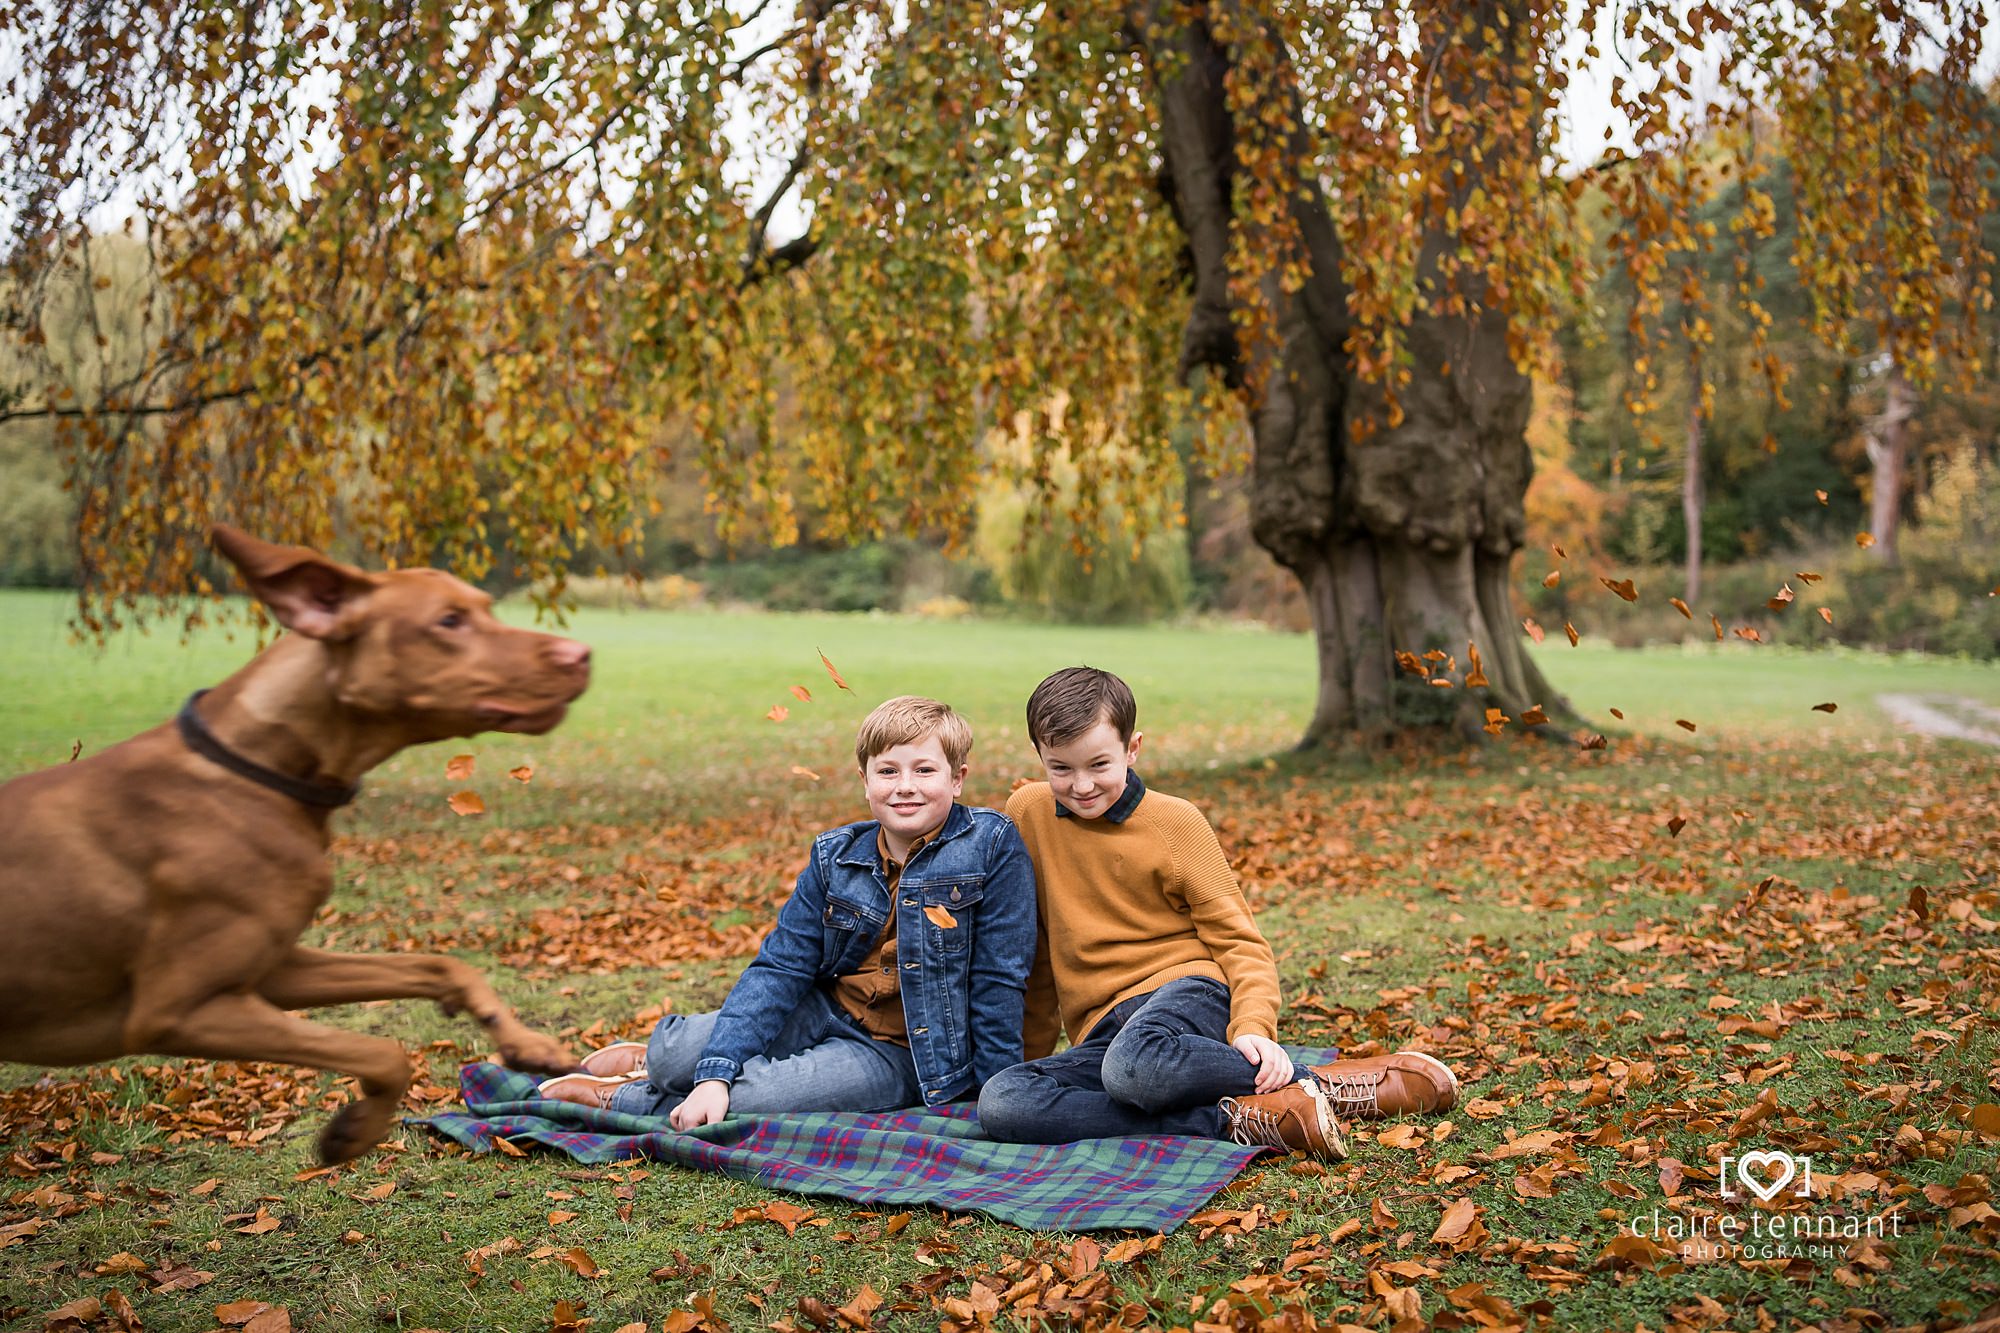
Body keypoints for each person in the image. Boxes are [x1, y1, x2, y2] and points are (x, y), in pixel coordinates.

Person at [976, 666, 1458, 1159]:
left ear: (1132, 749)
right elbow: (1030, 948)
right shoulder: (1028, 813)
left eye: (1099, 764)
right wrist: (1031, 1059)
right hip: (1107, 1033)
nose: (1081, 785)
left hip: (1188, 993)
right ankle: (1236, 1117)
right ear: (1040, 756)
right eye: (1061, 768)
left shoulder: (1176, 823)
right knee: (1003, 1102)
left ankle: (1317, 1083)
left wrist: (1252, 1027)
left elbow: (1240, 942)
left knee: (1132, 1068)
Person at [538, 696, 1037, 1126]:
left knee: (748, 1099)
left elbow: (999, 978)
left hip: (900, 1051)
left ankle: (625, 1096)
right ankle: (659, 1066)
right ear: (865, 782)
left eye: (924, 770)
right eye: (888, 771)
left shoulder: (991, 847)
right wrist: (714, 1069)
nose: (905, 786)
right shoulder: (837, 854)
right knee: (681, 1060)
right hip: (823, 1007)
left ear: (957, 779)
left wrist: (990, 1095)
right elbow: (782, 966)